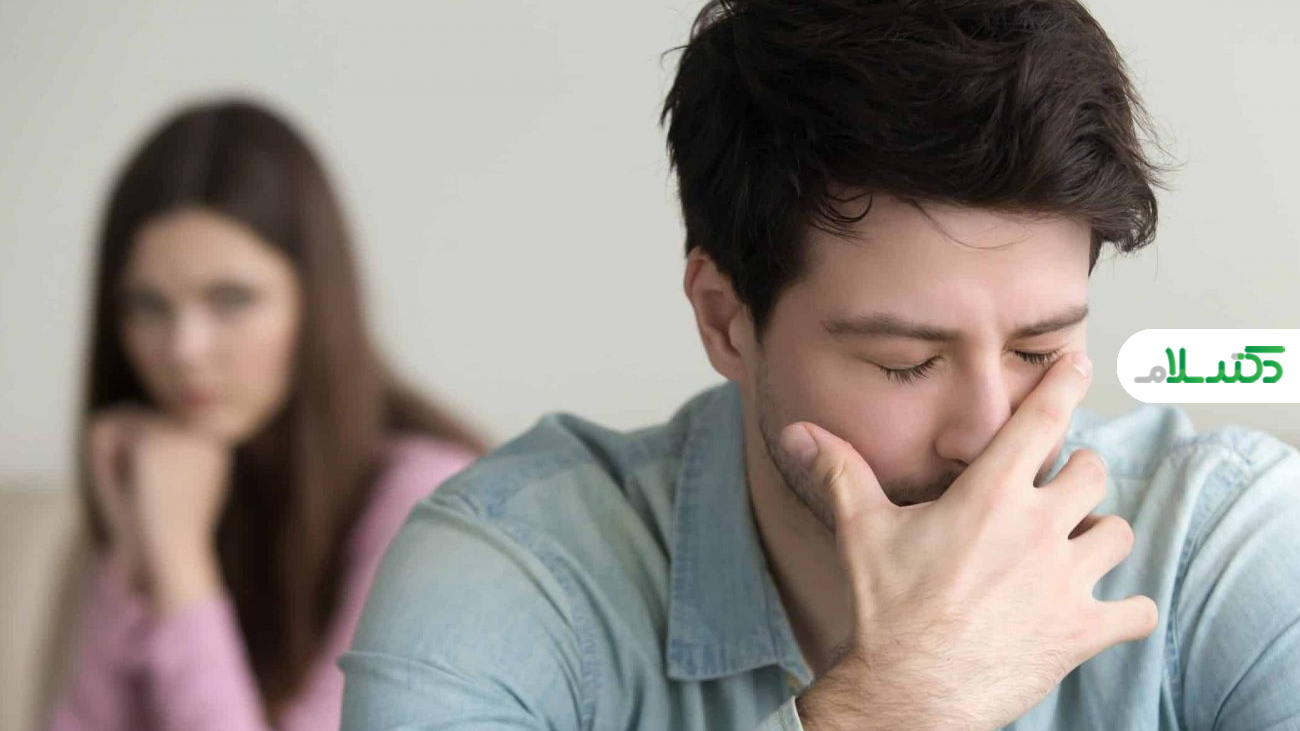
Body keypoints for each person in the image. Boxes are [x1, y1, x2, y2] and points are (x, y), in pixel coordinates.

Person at [339, 1, 1300, 729]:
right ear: (726, 320)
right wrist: (895, 702)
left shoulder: (1220, 544)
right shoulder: (514, 573)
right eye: (906, 362)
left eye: (1038, 349)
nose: (990, 430)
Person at [46, 99, 486, 731]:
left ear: (314, 300)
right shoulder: (182, 476)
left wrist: (179, 560)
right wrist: (132, 555)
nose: (183, 349)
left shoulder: (430, 500)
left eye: (230, 299)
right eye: (147, 305)